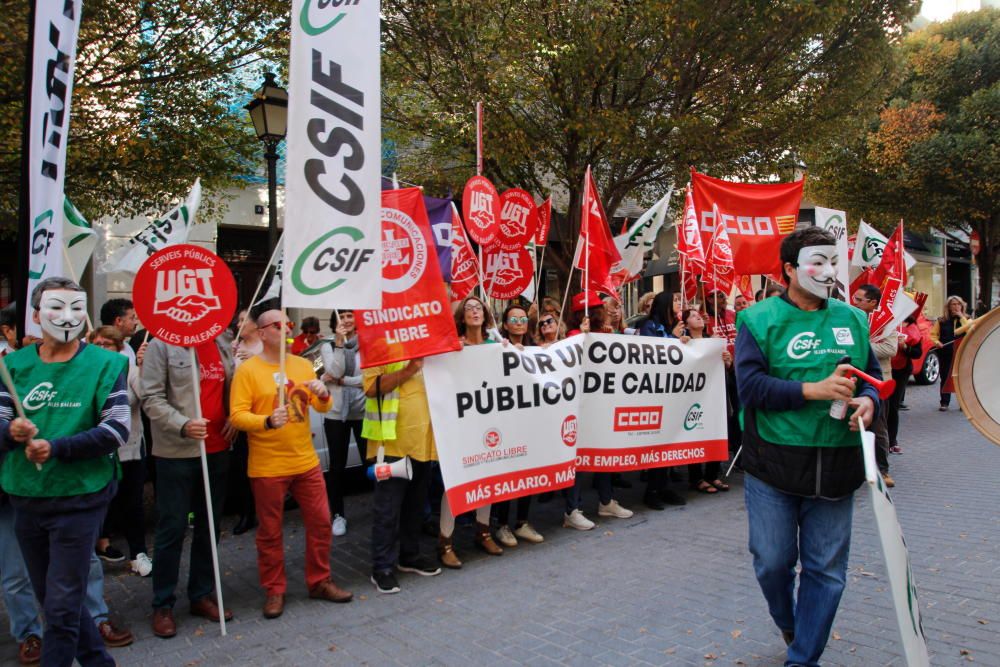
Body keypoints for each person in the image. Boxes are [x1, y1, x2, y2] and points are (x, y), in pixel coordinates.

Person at [735, 228, 880, 666]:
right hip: (773, 466)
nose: (828, 271)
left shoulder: (853, 319)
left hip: (837, 467)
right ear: (789, 270)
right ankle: (791, 622)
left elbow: (872, 376)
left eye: (832, 262)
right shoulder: (758, 320)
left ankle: (803, 657)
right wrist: (812, 391)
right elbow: (750, 388)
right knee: (772, 562)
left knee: (827, 573)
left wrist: (870, 402)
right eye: (817, 262)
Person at [1, 277, 129, 667]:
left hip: (80, 496)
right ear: (37, 316)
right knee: (55, 599)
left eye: (77, 307)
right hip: (26, 496)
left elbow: (116, 429)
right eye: (56, 308)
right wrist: (10, 430)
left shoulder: (108, 362)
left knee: (59, 607)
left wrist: (56, 447)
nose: (68, 316)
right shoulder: (12, 365)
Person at [230, 303, 352, 619]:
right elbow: (238, 415)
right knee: (270, 532)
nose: (286, 329)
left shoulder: (301, 365)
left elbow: (321, 407)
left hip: (305, 462)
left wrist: (324, 395)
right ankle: (275, 591)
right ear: (260, 333)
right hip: (268, 466)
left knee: (321, 521)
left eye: (287, 324)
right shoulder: (248, 371)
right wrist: (267, 421)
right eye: (277, 326)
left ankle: (319, 581)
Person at [141, 321, 237, 637]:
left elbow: (232, 385)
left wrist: (234, 417)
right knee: (172, 527)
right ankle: (162, 604)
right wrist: (182, 424)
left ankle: (201, 594)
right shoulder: (161, 344)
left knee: (210, 527)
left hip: (218, 449)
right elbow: (151, 397)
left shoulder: (220, 340)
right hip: (176, 452)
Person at [362, 351, 442, 594]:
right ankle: (382, 567)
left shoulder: (427, 341)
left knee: (415, 506)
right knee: (387, 509)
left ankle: (409, 555)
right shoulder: (377, 344)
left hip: (424, 441)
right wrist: (408, 370)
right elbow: (371, 388)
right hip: (392, 442)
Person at [437, 296, 504, 567]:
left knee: (487, 474)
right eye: (468, 309)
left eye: (478, 308)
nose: (474, 311)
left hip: (488, 420)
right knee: (455, 479)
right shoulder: (454, 347)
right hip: (460, 421)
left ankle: (483, 531)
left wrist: (511, 350)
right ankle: (445, 542)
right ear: (461, 317)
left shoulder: (495, 346)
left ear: (485, 314)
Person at [562, 292, 633, 528]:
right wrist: (582, 336)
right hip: (580, 406)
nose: (605, 312)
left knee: (603, 452)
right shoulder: (574, 336)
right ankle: (572, 510)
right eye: (600, 309)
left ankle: (606, 501)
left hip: (601, 405)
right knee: (579, 459)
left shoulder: (604, 335)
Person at [89, 327, 152, 575]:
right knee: (100, 503)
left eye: (108, 344)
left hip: (129, 449)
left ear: (118, 348)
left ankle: (138, 553)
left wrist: (144, 368)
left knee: (132, 503)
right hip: (97, 452)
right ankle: (95, 551)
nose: (102, 348)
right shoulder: (85, 372)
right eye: (98, 344)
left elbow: (145, 396)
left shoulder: (129, 368)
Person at [492, 304, 544, 547]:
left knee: (527, 471)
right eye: (514, 318)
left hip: (529, 420)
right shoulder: (497, 349)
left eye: (523, 318)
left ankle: (522, 522)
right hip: (505, 421)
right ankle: (501, 524)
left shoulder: (535, 350)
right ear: (505, 324)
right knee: (506, 472)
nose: (520, 322)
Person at [637, 292, 688, 509]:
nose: (679, 303)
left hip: (673, 392)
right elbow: (653, 352)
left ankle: (664, 486)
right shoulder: (649, 325)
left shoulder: (677, 325)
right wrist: (675, 339)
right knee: (658, 443)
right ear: (666, 304)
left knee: (670, 441)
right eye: (675, 301)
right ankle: (652, 491)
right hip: (656, 392)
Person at [320, 310, 366, 537]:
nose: (346, 320)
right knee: (337, 467)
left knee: (371, 462)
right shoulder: (328, 347)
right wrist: (339, 345)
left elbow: (367, 379)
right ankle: (337, 514)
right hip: (336, 415)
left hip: (362, 413)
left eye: (349, 315)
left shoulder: (366, 344)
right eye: (342, 316)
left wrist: (341, 381)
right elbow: (333, 370)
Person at [679, 307, 732, 494]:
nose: (699, 317)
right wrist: (681, 342)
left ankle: (712, 474)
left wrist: (727, 360)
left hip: (715, 396)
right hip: (694, 397)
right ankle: (696, 478)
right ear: (686, 324)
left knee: (715, 430)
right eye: (693, 316)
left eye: (699, 315)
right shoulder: (684, 343)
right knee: (693, 431)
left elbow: (725, 368)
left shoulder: (714, 342)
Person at [850, 284, 898, 487]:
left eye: (860, 300)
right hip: (853, 381)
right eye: (855, 298)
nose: (855, 302)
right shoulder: (848, 318)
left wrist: (861, 345)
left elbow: (890, 349)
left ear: (872, 303)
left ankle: (883, 470)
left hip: (878, 382)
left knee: (878, 427)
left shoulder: (886, 323)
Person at [230, 308, 262, 535]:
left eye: (243, 320)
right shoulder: (233, 347)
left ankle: (264, 510)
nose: (239, 324)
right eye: (238, 320)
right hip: (240, 414)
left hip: (261, 414)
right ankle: (246, 513)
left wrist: (255, 361)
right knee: (242, 467)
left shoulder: (264, 347)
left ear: (254, 325)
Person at [888, 315, 921, 455]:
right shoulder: (886, 321)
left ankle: (892, 441)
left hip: (900, 371)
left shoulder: (913, 328)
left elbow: (917, 353)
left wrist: (905, 347)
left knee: (893, 406)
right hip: (884, 367)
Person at [930, 295, 971, 411]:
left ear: (962, 306)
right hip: (946, 352)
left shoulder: (967, 319)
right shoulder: (942, 320)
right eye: (953, 304)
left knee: (962, 378)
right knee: (945, 377)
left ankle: (963, 404)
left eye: (958, 304)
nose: (956, 306)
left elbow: (970, 330)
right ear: (948, 307)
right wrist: (937, 342)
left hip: (962, 353)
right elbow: (933, 335)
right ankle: (944, 402)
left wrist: (961, 317)